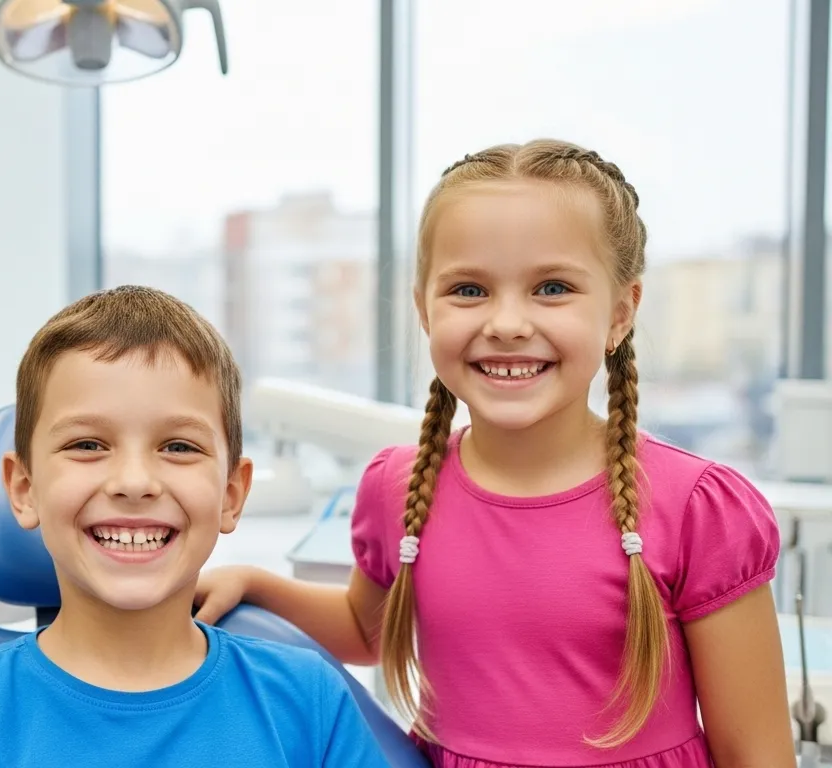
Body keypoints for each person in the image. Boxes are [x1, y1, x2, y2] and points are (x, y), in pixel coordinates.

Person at [194, 140, 793, 767]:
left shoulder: (697, 508)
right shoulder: (398, 487)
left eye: (552, 287)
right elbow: (365, 629)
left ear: (620, 313)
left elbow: (759, 755)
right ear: (424, 308)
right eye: (470, 290)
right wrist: (255, 584)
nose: (507, 323)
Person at [0, 286, 387, 767]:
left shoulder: (308, 703)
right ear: (24, 489)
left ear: (232, 494)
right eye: (87, 445)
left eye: (178, 447)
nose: (135, 482)